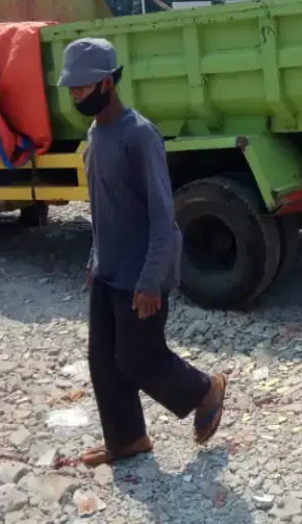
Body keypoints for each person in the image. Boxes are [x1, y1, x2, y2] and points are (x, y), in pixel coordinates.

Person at [56, 37, 227, 467]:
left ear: (107, 83)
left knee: (137, 358)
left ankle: (205, 390)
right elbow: (103, 206)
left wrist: (151, 279)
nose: (75, 96)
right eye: (72, 89)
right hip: (109, 269)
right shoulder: (96, 133)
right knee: (103, 362)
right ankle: (128, 440)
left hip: (140, 272)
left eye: (82, 87)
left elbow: (162, 216)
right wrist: (94, 259)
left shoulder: (138, 135)